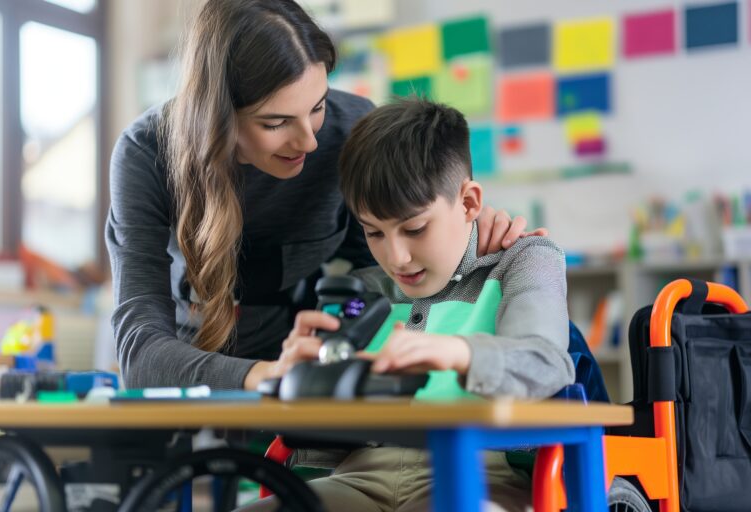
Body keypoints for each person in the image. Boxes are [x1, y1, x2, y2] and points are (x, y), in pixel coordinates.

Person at [106, 0, 540, 392]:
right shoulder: (146, 153)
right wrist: (262, 375)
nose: (309, 142)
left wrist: (474, 247)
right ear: (216, 117)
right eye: (275, 123)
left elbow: (386, 276)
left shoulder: (350, 129)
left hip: (309, 353)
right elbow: (140, 351)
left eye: (317, 106)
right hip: (186, 360)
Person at [245, 98, 575, 512]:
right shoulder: (361, 290)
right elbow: (314, 434)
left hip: (478, 477)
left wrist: (456, 351)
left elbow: (546, 362)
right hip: (357, 478)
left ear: (470, 203)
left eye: (414, 228)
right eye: (374, 232)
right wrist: (296, 379)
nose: (396, 257)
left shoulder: (524, 260)